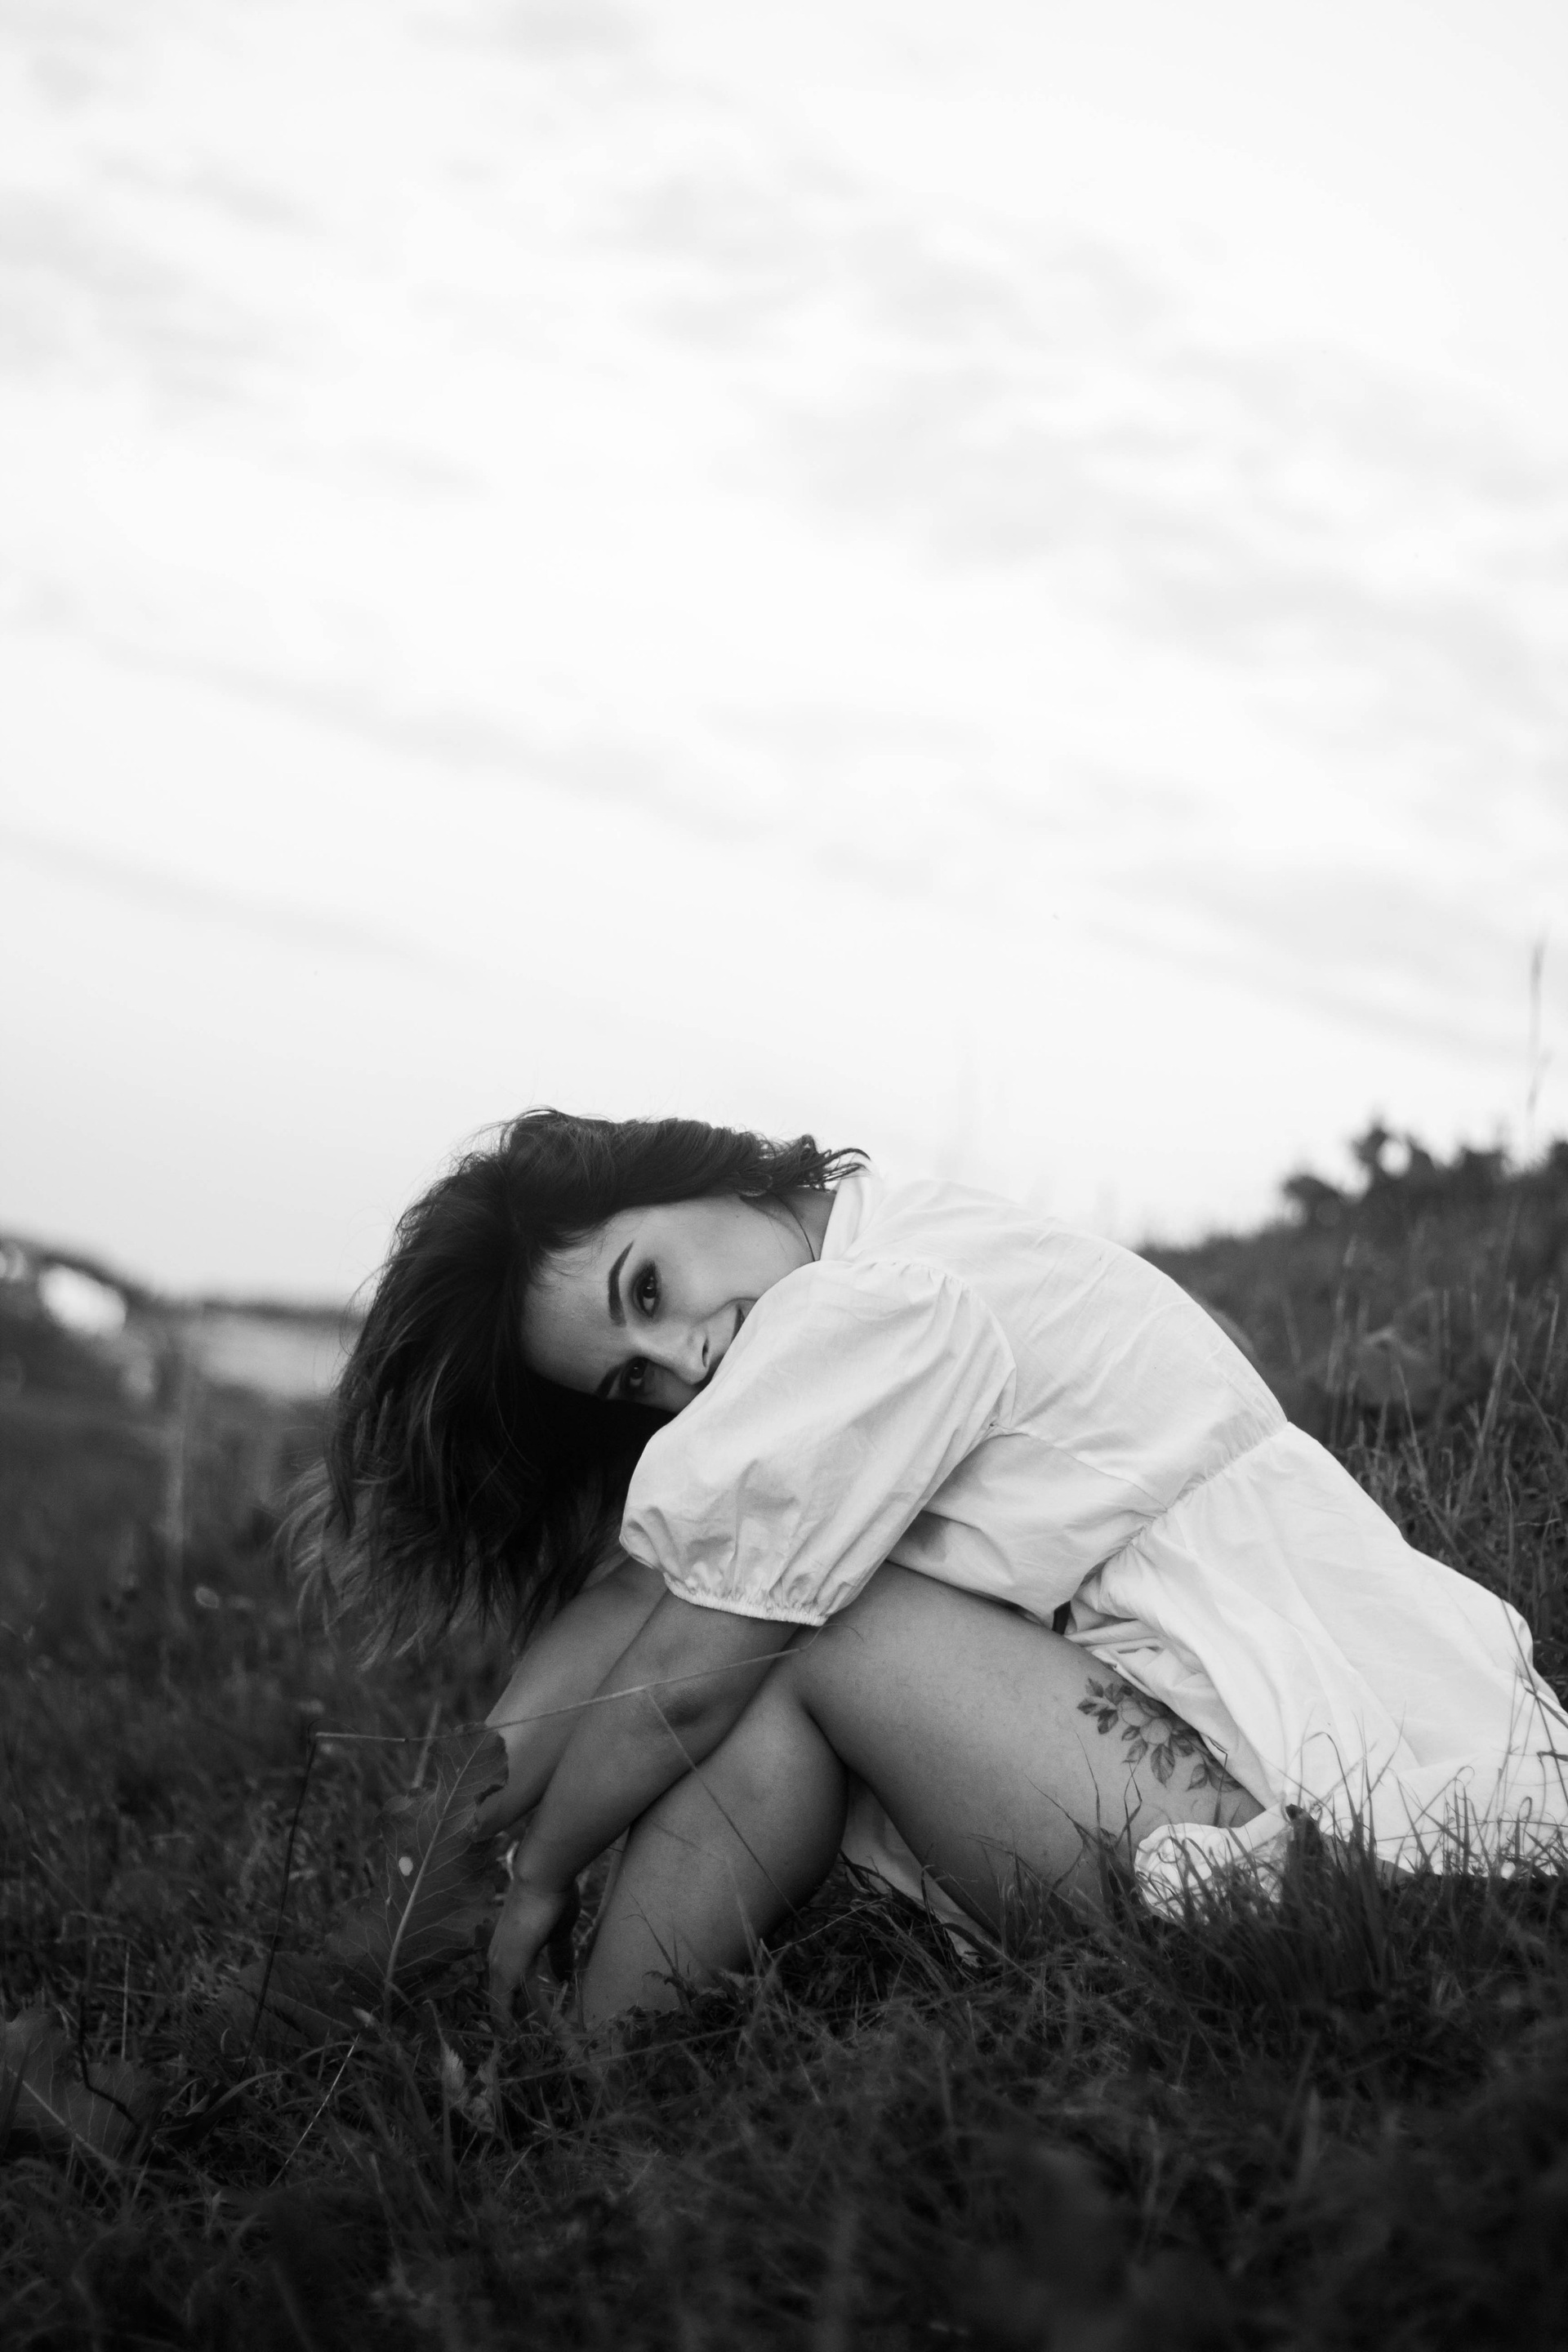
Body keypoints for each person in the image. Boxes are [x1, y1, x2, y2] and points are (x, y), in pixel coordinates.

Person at [306, 1110, 1568, 2027]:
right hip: (1254, 1752)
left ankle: (567, 2085)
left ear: (698, 1176)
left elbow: (687, 1675)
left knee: (814, 1630)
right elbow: (642, 1592)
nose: (686, 1358)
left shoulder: (874, 1303)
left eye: (648, 1289)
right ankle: (564, 2064)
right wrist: (449, 1844)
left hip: (1299, 1807)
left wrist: (536, 1874)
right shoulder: (874, 1260)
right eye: (635, 1379)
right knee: (778, 1620)